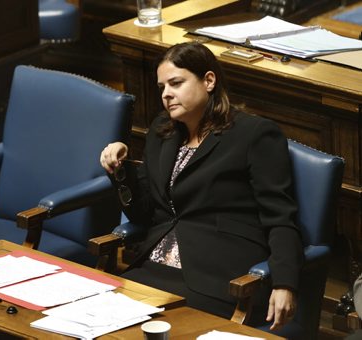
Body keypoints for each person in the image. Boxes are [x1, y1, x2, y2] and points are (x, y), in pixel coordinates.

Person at [100, 42, 303, 331]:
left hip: (216, 277)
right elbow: (145, 216)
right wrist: (121, 170)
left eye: (176, 83)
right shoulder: (162, 130)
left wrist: (284, 284)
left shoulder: (254, 134)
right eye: (161, 87)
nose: (166, 94)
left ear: (209, 81)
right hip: (153, 266)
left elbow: (280, 216)